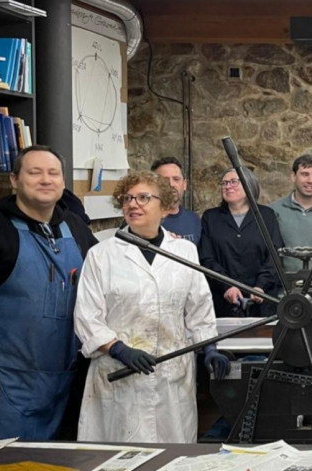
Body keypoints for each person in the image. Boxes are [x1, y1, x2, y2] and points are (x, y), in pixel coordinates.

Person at [0, 145, 97, 440]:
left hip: (63, 383)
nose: (46, 179)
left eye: (53, 173)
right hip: (2, 385)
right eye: (35, 172)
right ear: (15, 180)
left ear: (63, 182)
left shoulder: (75, 228)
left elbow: (102, 284)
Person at [74, 171, 228, 443]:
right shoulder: (102, 254)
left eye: (144, 197)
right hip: (118, 375)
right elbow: (87, 316)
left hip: (172, 375)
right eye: (127, 198)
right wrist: (118, 349)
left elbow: (199, 309)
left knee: (172, 453)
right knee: (120, 455)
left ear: (165, 206)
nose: (133, 204)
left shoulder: (184, 252)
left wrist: (210, 349)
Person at [199, 168, 284, 317]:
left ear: (249, 185)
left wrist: (260, 286)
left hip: (262, 302)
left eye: (233, 182)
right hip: (223, 302)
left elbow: (276, 255)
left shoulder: (266, 216)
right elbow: (206, 258)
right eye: (224, 183)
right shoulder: (211, 217)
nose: (227, 186)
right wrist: (227, 286)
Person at [152, 156, 201, 244]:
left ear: (184, 184)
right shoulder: (143, 219)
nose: (171, 184)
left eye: (176, 179)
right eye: (164, 180)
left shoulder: (194, 219)